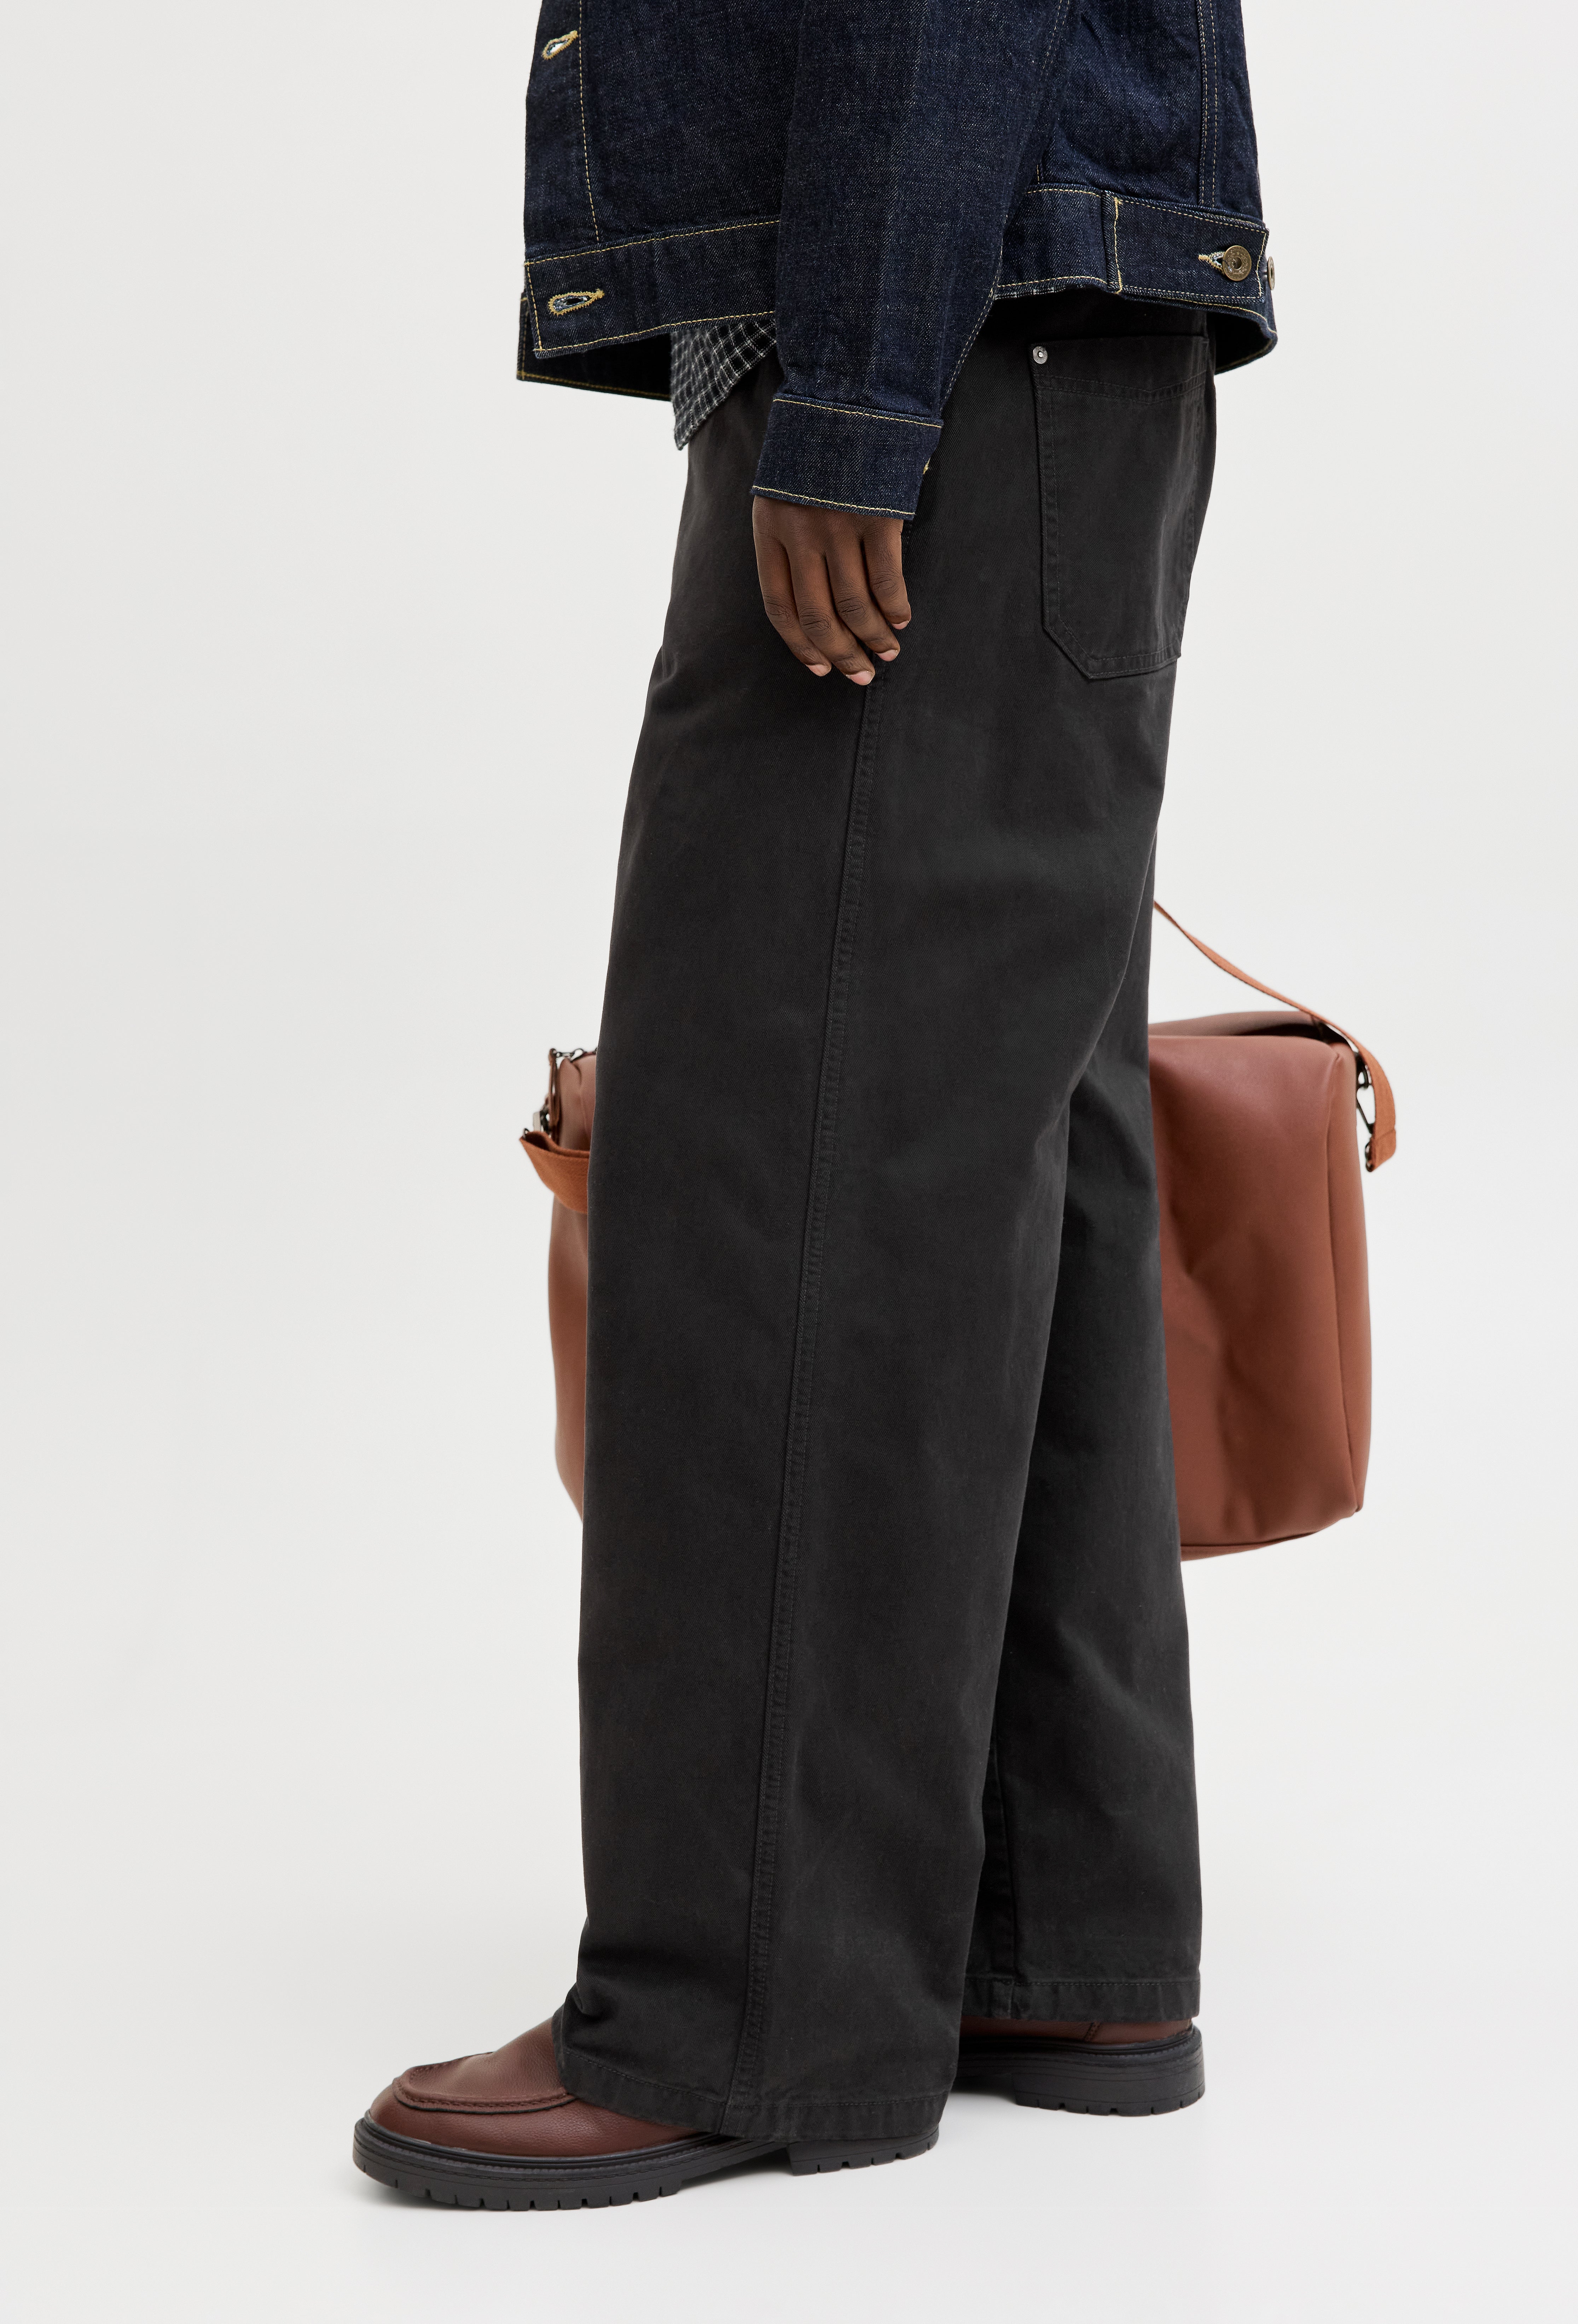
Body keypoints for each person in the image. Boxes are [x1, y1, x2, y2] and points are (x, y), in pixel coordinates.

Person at [354, 0, 1276, 2208]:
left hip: (937, 335)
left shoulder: (897, 354)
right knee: (1000, 1153)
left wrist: (859, 390)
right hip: (1029, 326)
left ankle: (745, 2014)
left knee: (782, 1169)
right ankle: (1058, 1937)